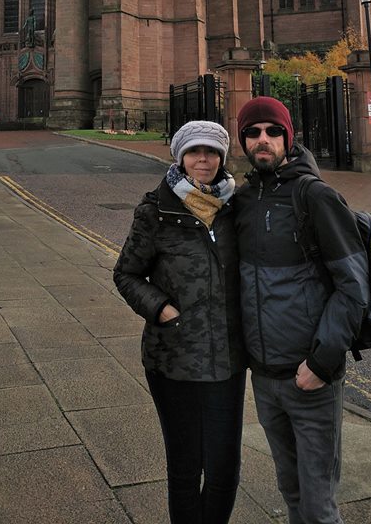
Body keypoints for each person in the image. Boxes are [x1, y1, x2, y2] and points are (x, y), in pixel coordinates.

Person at [233, 97, 368, 524]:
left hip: (310, 378)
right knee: (290, 490)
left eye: (273, 132)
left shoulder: (315, 196)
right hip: (265, 378)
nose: (263, 140)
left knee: (318, 503)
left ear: (288, 138)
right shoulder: (244, 200)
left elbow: (353, 285)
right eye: (253, 133)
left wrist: (322, 362)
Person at [114, 120, 246, 524]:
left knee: (224, 470)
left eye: (210, 151)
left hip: (227, 359)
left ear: (222, 157)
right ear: (181, 157)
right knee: (185, 467)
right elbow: (126, 274)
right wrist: (162, 310)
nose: (202, 159)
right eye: (194, 152)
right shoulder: (156, 209)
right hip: (172, 358)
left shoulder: (237, 209)